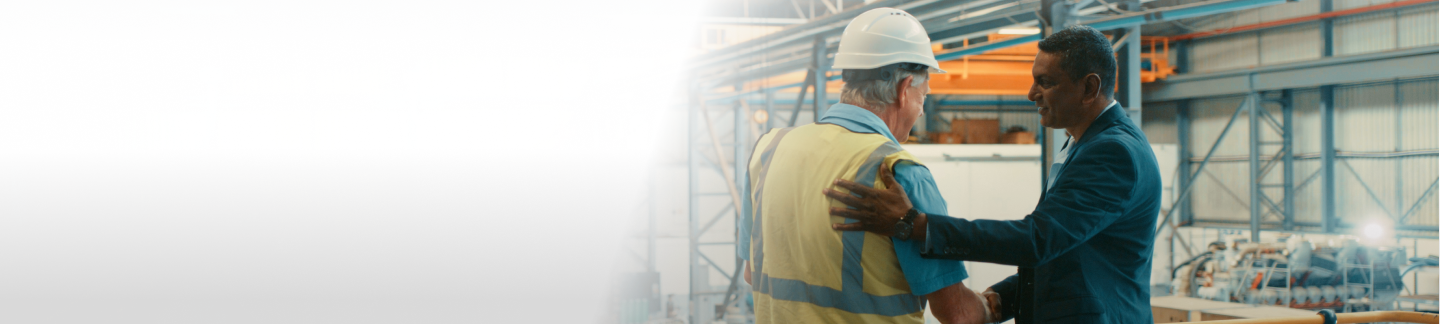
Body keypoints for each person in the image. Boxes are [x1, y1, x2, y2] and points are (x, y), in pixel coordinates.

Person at [822, 25, 1163, 324]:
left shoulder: (1113, 153)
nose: (1031, 94)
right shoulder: (1084, 144)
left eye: (1045, 83)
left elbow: (1037, 240)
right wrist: (1002, 300)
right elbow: (1068, 253)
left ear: (1090, 88)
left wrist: (914, 224)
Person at [737, 7, 988, 324]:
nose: (922, 111)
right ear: (903, 89)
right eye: (922, 96)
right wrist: (1001, 301)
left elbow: (751, 272)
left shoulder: (769, 149)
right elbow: (957, 313)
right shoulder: (899, 172)